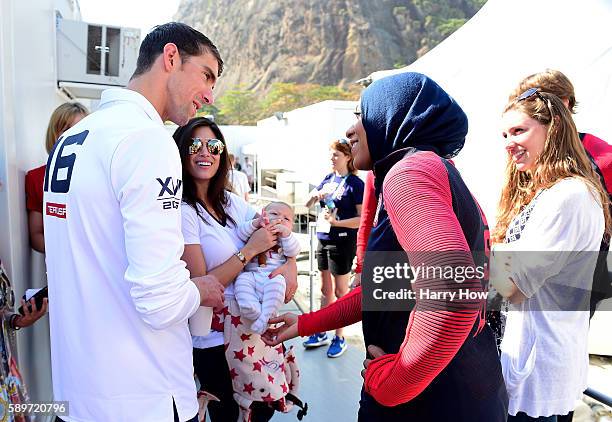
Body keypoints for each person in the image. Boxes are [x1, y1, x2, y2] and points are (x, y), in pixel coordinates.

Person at [265, 72, 508, 421]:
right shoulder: (438, 170)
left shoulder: (409, 173)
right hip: (466, 388)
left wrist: (392, 383)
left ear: (394, 118)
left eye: (362, 114)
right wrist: (307, 323)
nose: (351, 130)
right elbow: (386, 289)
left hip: (428, 399)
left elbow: (453, 292)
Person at [43, 23, 226, 422]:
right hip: (142, 397)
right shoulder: (146, 139)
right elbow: (159, 303)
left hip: (78, 398)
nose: (211, 94)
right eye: (207, 75)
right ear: (172, 57)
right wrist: (201, 290)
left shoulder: (75, 139)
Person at [490, 89, 610, 422]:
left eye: (519, 131)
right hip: (530, 358)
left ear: (553, 128)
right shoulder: (550, 192)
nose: (508, 142)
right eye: (504, 134)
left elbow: (514, 286)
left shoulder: (568, 196)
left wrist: (489, 254)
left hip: (537, 366)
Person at [175, 117, 298, 422]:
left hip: (251, 328)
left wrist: (292, 263)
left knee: (260, 408)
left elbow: (276, 232)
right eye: (194, 145)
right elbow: (201, 285)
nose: (205, 152)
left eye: (213, 145)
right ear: (180, 151)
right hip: (215, 341)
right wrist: (249, 251)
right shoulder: (182, 211)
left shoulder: (230, 202)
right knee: (229, 414)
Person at [510, 69, 612, 318]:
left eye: (538, 100)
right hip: (526, 275)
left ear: (563, 103)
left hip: (574, 279)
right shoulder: (525, 156)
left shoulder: (601, 156)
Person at [303, 139, 364, 357]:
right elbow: (307, 204)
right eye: (331, 155)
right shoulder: (328, 179)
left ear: (348, 157)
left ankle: (340, 337)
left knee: (340, 292)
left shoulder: (356, 185)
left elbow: (361, 219)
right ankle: (320, 331)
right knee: (324, 290)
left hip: (343, 241)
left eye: (336, 155)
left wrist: (338, 223)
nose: (332, 158)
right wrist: (315, 195)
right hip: (324, 237)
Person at [25, 102, 88, 253]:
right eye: (67, 130)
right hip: (61, 271)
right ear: (54, 134)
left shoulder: (106, 174)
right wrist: (67, 254)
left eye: (81, 129)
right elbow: (36, 235)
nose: (75, 135)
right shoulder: (36, 177)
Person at [235, 201, 301, 333]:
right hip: (252, 274)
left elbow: (294, 251)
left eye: (286, 219)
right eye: (274, 214)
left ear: (291, 226)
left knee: (278, 285)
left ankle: (265, 317)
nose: (279, 219)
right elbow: (240, 233)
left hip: (273, 276)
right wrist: (256, 223)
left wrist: (286, 234)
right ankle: (251, 307)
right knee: (242, 280)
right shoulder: (256, 229)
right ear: (263, 213)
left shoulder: (286, 239)